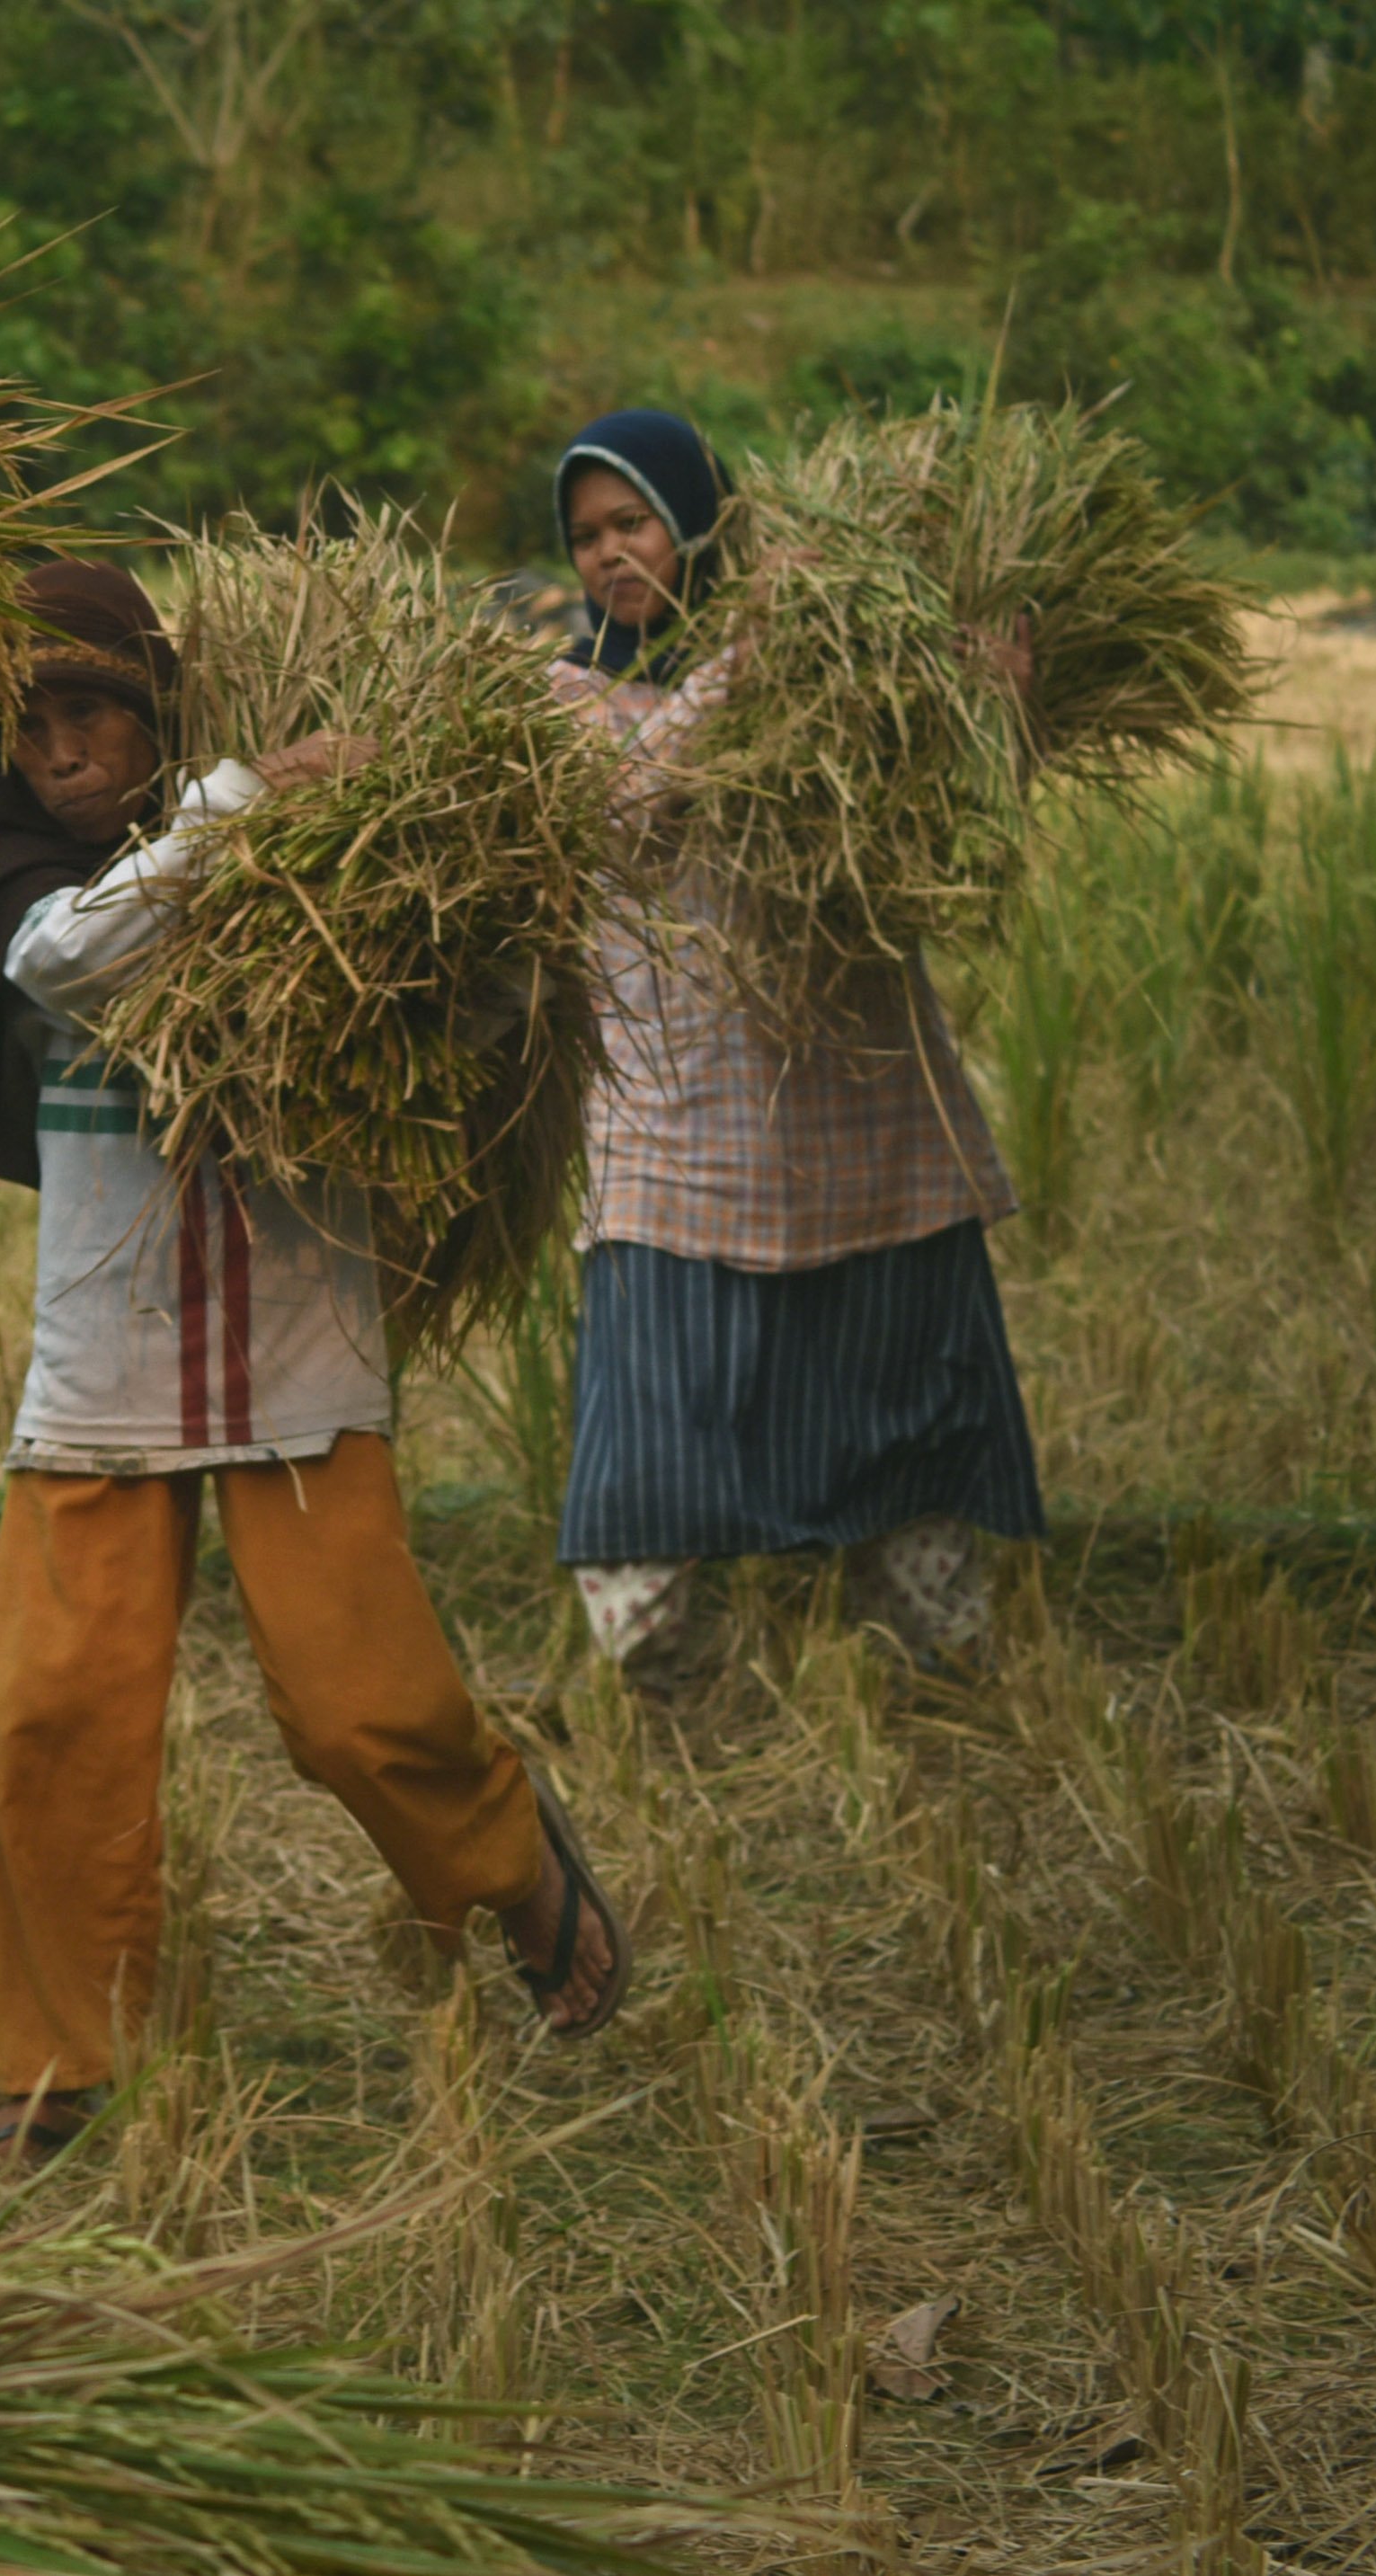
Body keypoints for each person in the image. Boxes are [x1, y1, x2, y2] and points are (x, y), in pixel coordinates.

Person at [0, 561, 629, 2155]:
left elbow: (468, 1019)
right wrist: (252, 801)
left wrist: (481, 923)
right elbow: (59, 964)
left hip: (293, 1349)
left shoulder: (311, 873)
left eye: (92, 712)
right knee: (49, 1720)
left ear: (158, 708)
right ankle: (64, 2074)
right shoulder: (45, 881)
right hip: (104, 1379)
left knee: (359, 1712)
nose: (58, 750)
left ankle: (513, 1867)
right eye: (30, 721)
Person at [545, 409, 1046, 1698]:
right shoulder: (569, 691)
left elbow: (942, 837)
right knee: (656, 1389)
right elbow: (632, 794)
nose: (609, 555)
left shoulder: (838, 669)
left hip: (857, 1077)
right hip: (673, 1101)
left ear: (703, 521)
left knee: (894, 1369)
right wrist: (758, 655)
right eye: (587, 534)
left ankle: (942, 1649)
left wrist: (986, 705)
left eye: (635, 521)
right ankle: (659, 1667)